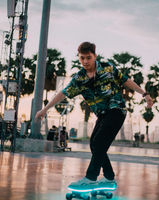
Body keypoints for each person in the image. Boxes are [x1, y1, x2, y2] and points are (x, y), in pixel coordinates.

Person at [35, 42, 153, 190]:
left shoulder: (108, 68)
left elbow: (126, 81)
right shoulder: (79, 78)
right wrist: (45, 109)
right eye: (82, 58)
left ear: (95, 56)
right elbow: (63, 93)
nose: (85, 61)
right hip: (102, 114)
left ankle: (91, 178)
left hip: (117, 109)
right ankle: (109, 178)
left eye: (88, 58)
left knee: (99, 142)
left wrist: (145, 94)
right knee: (94, 145)